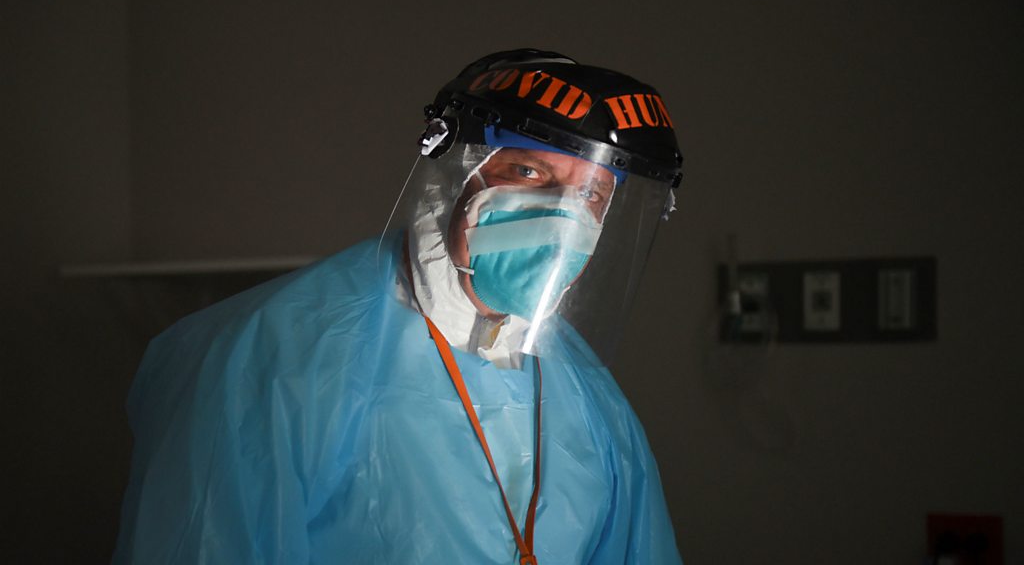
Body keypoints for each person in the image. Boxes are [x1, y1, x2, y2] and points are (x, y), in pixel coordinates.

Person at [113, 49, 685, 564]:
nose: (564, 216)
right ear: (455, 171)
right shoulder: (269, 360)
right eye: (529, 171)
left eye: (591, 194)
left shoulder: (587, 395)